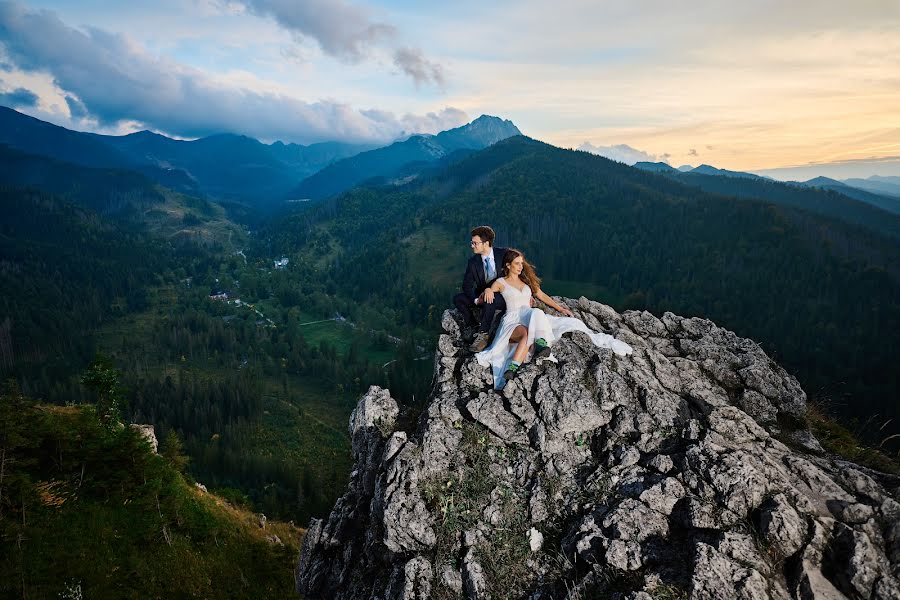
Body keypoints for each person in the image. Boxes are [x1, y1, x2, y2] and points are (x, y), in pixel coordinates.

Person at [476, 248, 633, 389]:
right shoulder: (501, 282)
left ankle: (512, 369)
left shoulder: (526, 282)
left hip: (529, 318)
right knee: (533, 318)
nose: (520, 266)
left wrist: (560, 308)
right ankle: (540, 343)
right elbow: (488, 291)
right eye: (517, 263)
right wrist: (489, 290)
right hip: (512, 320)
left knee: (569, 322)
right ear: (508, 265)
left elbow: (542, 295)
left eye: (521, 263)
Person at [452, 226, 508, 352]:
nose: (472, 246)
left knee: (490, 299)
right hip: (482, 294)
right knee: (458, 299)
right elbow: (467, 285)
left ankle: (484, 335)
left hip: (502, 295)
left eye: (475, 243)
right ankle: (472, 325)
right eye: (471, 242)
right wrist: (476, 300)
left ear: (486, 243)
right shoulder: (473, 261)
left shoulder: (503, 254)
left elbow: (519, 271)